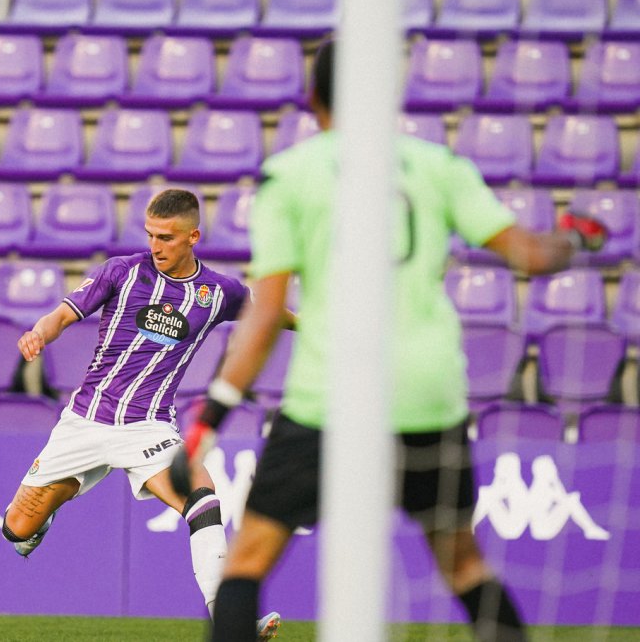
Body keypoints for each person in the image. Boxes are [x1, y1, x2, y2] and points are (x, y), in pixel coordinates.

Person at [173, 40, 607, 642]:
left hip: (331, 398)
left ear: (312, 98)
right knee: (464, 567)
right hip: (425, 396)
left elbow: (266, 313)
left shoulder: (288, 176)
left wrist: (211, 413)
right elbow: (532, 256)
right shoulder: (437, 164)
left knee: (246, 563)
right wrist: (577, 240)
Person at [5, 188, 288, 639]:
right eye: (151, 235)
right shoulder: (121, 272)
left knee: (202, 497)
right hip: (86, 420)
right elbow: (61, 315)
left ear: (193, 236)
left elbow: (271, 311)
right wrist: (39, 333)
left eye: (168, 238)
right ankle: (47, 513)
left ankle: (232, 624)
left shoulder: (218, 292)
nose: (156, 246)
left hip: (149, 425)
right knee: (17, 530)